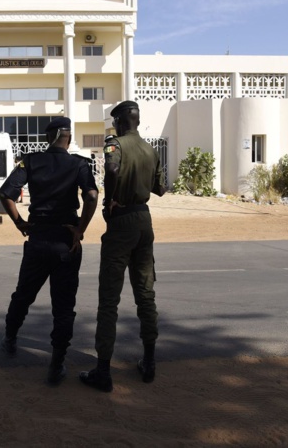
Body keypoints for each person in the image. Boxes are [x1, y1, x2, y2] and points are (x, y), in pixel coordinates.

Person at [0, 117, 99, 386]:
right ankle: (56, 364)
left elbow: (6, 193)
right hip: (66, 242)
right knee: (64, 307)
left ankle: (10, 339)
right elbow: (91, 196)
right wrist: (80, 228)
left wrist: (20, 223)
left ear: (52, 136)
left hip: (39, 238)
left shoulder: (30, 161)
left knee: (23, 294)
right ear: (67, 137)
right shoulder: (80, 163)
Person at [80, 100, 166, 393]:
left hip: (122, 223)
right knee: (145, 294)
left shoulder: (114, 145)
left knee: (109, 299)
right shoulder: (151, 149)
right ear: (137, 122)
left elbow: (113, 171)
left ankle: (103, 371)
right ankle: (150, 363)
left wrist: (110, 200)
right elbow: (160, 188)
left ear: (118, 122)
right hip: (145, 221)